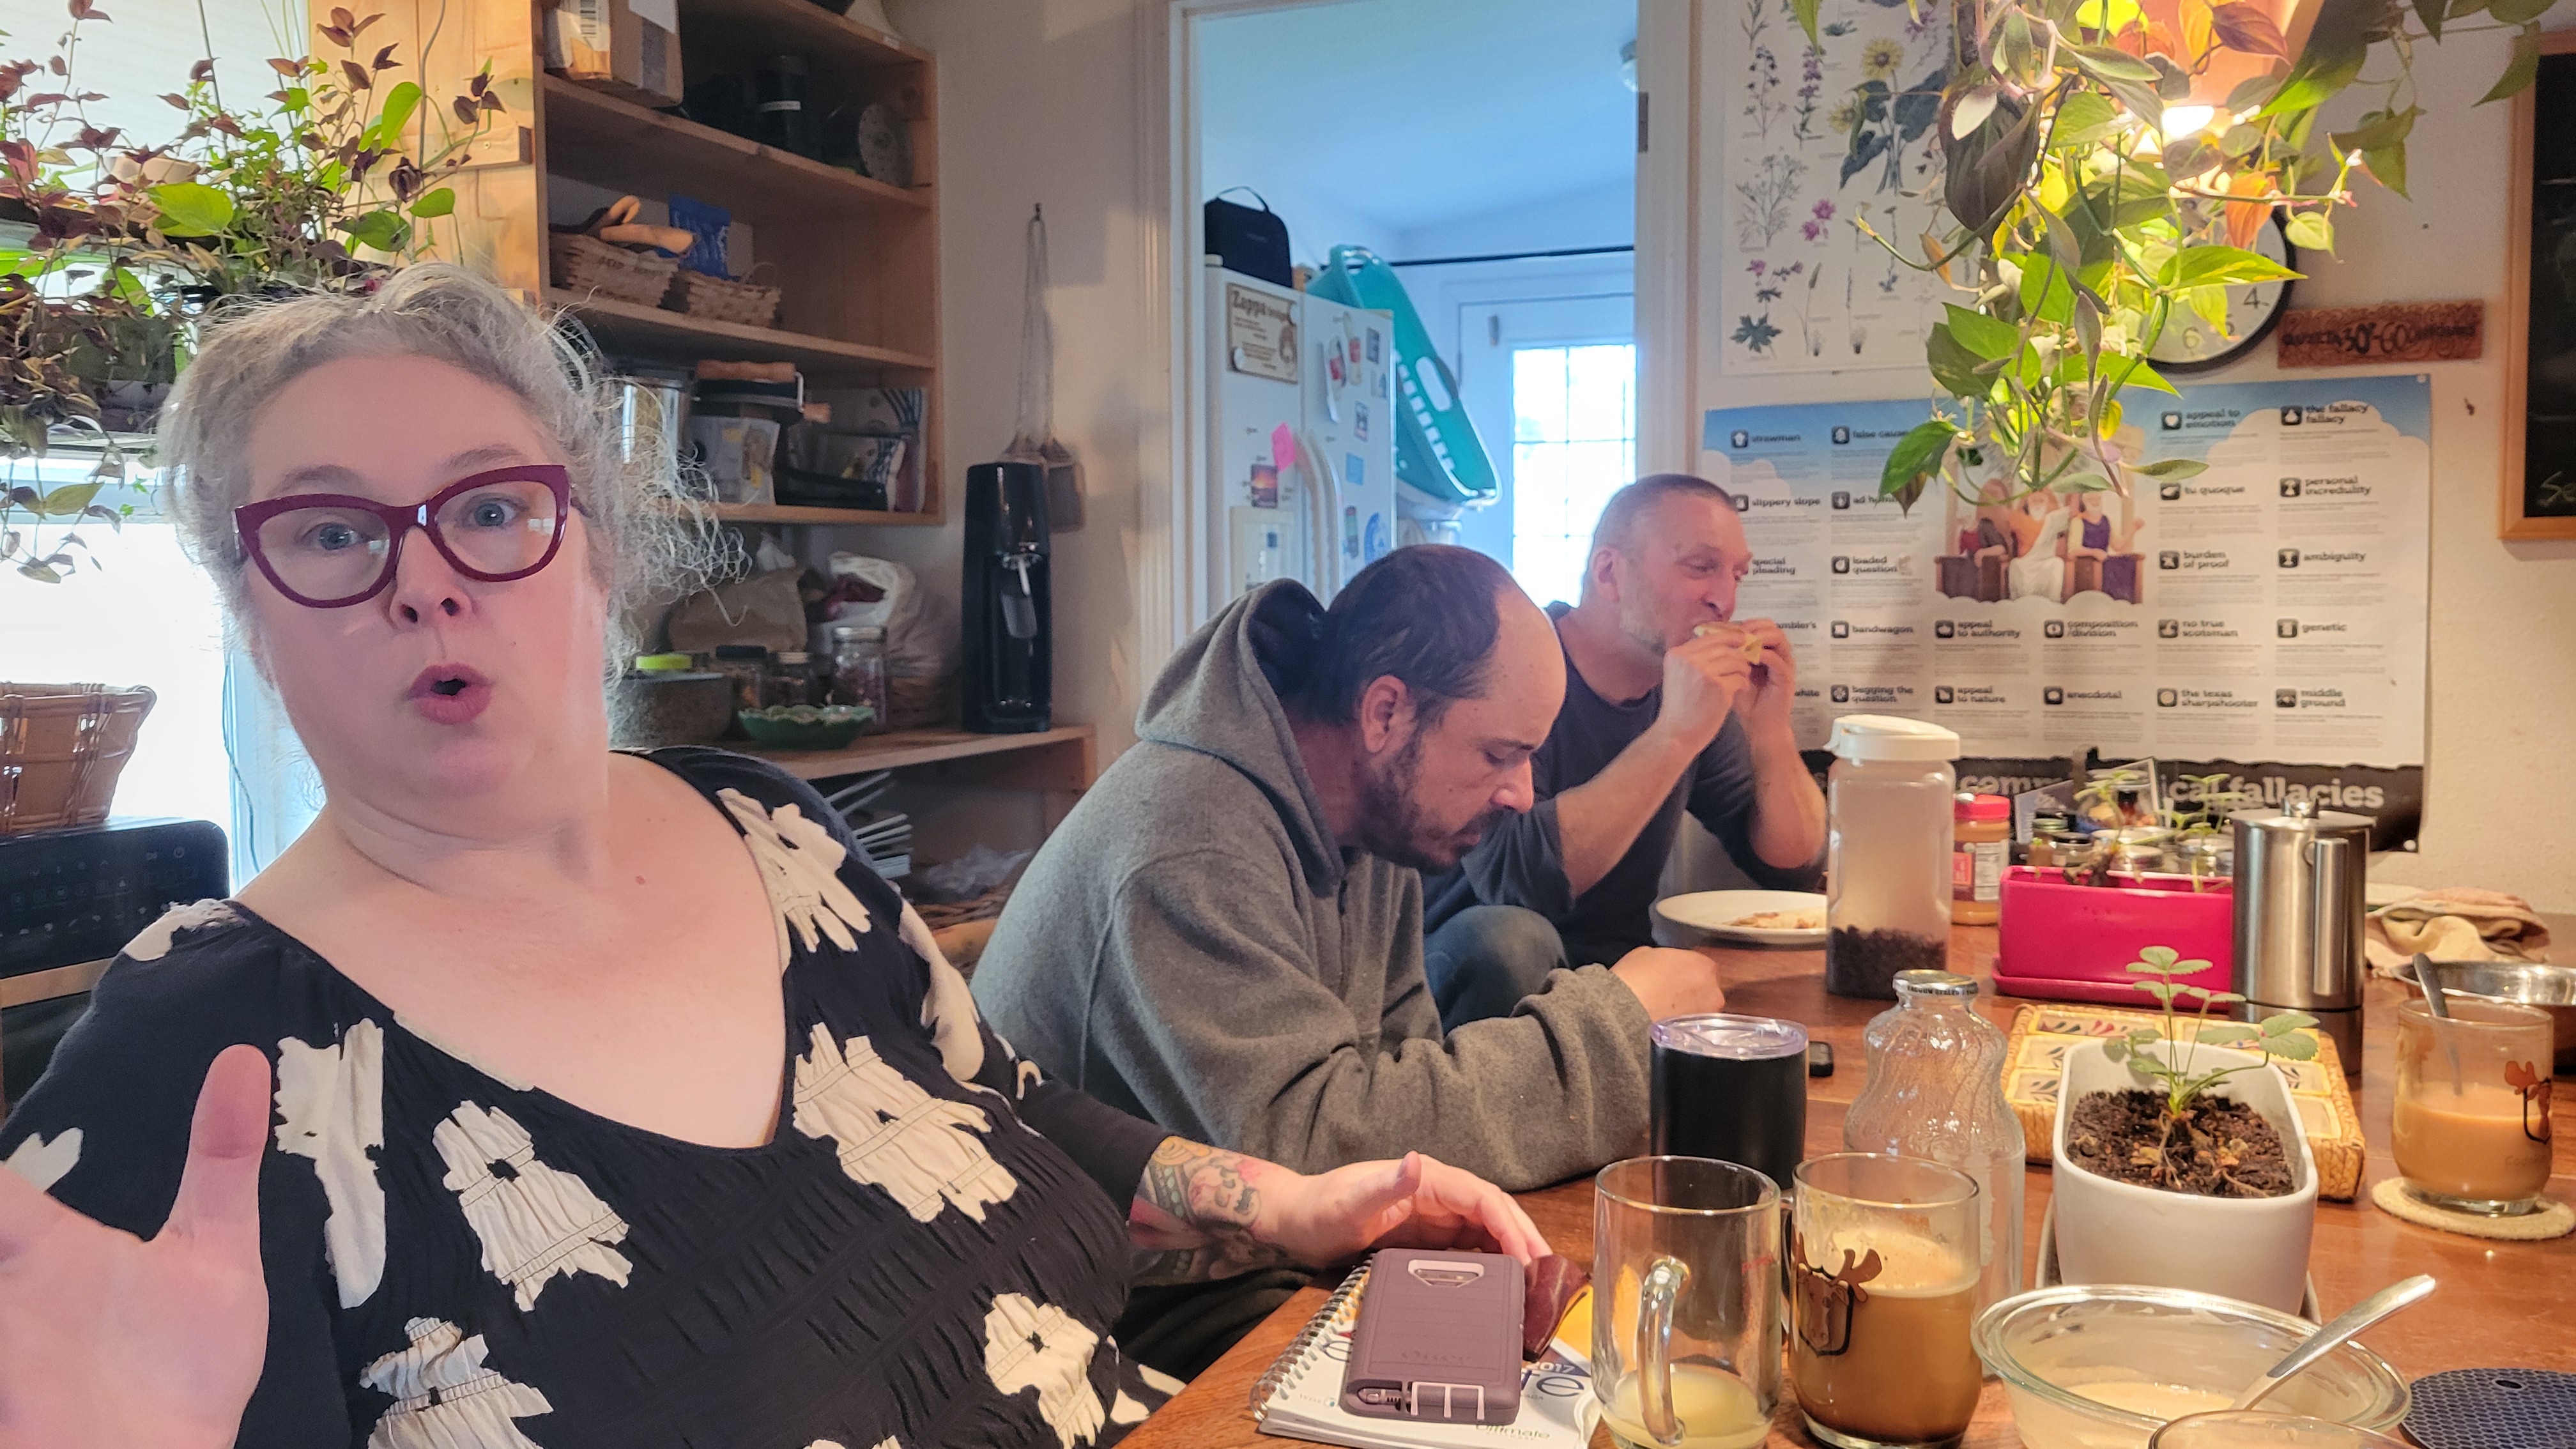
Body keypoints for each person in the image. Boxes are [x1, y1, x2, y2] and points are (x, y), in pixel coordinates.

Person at [0, 267, 1548, 1449]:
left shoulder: (770, 826)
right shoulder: (198, 1058)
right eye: (332, 534)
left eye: (493, 507)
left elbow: (1006, 1109)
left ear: (596, 558)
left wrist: (1294, 1207)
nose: (425, 583)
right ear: (252, 617)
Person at [969, 548, 1724, 1370]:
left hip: (1254, 1254)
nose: (1521, 793)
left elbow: (1395, 1083)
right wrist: (1614, 1026)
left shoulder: (1372, 819)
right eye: (1500, 754)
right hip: (1095, 1296)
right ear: (1385, 712)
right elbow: (1312, 1148)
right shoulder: (1190, 845)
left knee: (1608, 1324)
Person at [1419, 475, 1827, 1026]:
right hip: (1478, 982)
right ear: (1610, 573)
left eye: (1737, 574)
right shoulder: (1505, 671)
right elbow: (1517, 883)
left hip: (1617, 982)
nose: (1725, 600)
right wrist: (1674, 736)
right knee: (1511, 938)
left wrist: (1770, 730)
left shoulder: (1686, 694)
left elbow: (1791, 869)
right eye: (1700, 567)